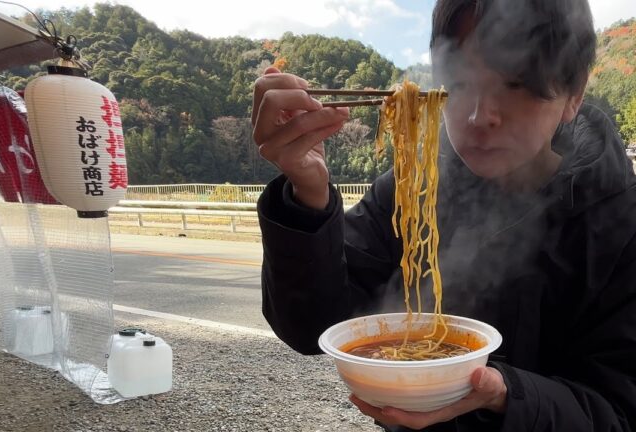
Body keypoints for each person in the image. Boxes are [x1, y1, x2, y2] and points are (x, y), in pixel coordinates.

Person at [252, 0, 636, 430]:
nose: (479, 116)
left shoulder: (622, 222)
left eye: (516, 85)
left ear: (573, 95)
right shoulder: (413, 188)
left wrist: (508, 395)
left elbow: (620, 411)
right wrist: (307, 193)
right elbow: (316, 328)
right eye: (459, 82)